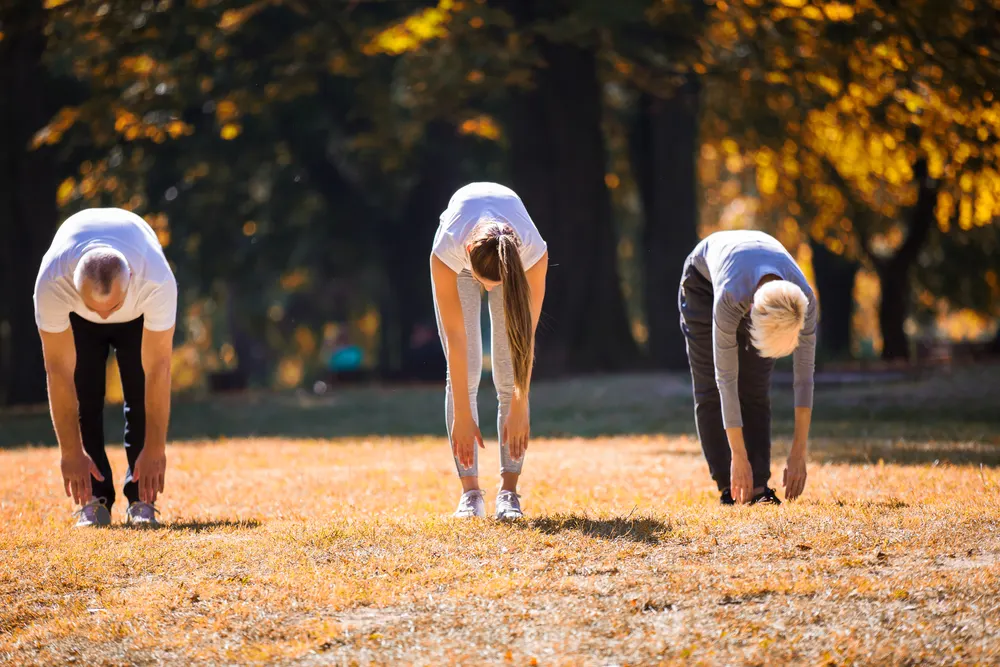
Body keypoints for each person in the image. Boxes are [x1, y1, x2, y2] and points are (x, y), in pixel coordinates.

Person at [34, 208, 177, 527]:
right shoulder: (52, 282)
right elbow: (57, 371)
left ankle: (142, 499)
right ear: (73, 284)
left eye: (111, 308)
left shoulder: (155, 280)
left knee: (140, 394)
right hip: (76, 315)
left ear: (130, 281)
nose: (103, 315)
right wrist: (69, 451)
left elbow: (159, 368)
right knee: (85, 396)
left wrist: (155, 447)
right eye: (95, 308)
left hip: (137, 315)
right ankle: (93, 501)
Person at [430, 182, 548, 520]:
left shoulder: (533, 254)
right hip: (460, 262)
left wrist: (520, 402)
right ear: (467, 249)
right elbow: (456, 337)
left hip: (513, 262)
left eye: (493, 285)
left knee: (509, 368)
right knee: (464, 371)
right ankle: (471, 495)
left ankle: (509, 493)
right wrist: (464, 416)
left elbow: (524, 339)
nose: (487, 289)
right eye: (485, 282)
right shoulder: (447, 251)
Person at [678, 229, 817, 505]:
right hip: (702, 284)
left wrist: (799, 451)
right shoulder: (729, 297)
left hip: (751, 270)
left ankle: (758, 488)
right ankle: (730, 486)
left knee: (754, 386)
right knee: (710, 389)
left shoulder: (804, 302)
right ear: (752, 310)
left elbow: (804, 380)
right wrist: (738, 456)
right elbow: (725, 380)